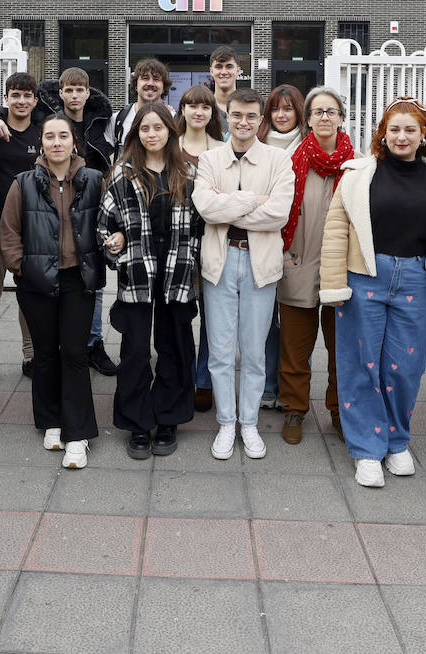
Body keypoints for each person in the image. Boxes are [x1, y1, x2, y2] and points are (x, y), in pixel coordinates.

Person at [319, 99, 426, 487]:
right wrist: (333, 285)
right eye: (394, 129)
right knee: (360, 362)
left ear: (424, 135)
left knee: (405, 366)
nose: (401, 136)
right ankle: (366, 448)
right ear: (383, 133)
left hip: (415, 277)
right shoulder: (358, 174)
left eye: (410, 130)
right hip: (364, 275)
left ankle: (396, 441)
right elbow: (335, 232)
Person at [0, 67, 117, 376]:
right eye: (68, 89)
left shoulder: (98, 119)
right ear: (60, 93)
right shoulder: (29, 120)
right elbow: (12, 108)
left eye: (79, 89)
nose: (73, 95)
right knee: (5, 295)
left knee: (73, 292)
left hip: (69, 217)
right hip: (16, 221)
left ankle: (72, 348)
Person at [0, 114, 105, 469]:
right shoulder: (24, 183)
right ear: (41, 143)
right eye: (49, 136)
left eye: (63, 136)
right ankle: (51, 420)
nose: (56, 142)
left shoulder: (92, 180)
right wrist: (22, 269)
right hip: (37, 281)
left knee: (75, 353)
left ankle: (78, 434)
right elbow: (9, 232)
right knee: (44, 354)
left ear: (74, 141)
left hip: (78, 278)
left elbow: (106, 224)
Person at [193, 88, 295, 461]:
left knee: (253, 352)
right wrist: (255, 199)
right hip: (219, 263)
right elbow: (206, 208)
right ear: (227, 116)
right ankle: (225, 422)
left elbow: (279, 214)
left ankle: (248, 423)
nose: (244, 122)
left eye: (252, 116)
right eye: (237, 115)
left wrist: (230, 204)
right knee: (219, 352)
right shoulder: (208, 158)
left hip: (259, 264)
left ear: (260, 119)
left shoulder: (278, 160)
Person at [98, 102, 203, 459]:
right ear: (136, 134)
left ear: (170, 132)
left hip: (177, 270)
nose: (152, 134)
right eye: (145, 129)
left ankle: (169, 418)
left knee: (175, 347)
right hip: (138, 272)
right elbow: (104, 223)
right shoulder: (121, 173)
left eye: (159, 128)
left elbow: (203, 225)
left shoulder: (188, 172)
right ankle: (137, 423)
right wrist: (115, 242)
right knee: (136, 351)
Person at [277, 87, 353, 445]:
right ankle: (294, 408)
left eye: (331, 111)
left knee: (343, 348)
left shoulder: (359, 164)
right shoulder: (291, 161)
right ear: (307, 119)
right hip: (299, 261)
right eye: (317, 111)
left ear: (341, 117)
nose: (324, 117)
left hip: (343, 268)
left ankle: (340, 410)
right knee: (295, 346)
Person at [0, 73, 41, 381]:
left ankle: (30, 357)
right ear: (6, 99)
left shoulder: (41, 134)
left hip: (29, 227)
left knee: (29, 293)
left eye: (27, 96)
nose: (22, 101)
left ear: (35, 101)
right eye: (16, 95)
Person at [174, 85, 226, 413]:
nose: (198, 112)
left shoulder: (223, 149)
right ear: (182, 110)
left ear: (212, 113)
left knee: (213, 317)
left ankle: (204, 379)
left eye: (204, 107)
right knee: (178, 316)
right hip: (176, 245)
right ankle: (180, 375)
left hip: (212, 241)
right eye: (191, 106)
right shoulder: (168, 147)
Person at [256, 82, 306, 411]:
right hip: (263, 241)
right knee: (265, 322)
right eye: (276, 108)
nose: (282, 114)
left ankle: (291, 390)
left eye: (288, 108)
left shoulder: (309, 146)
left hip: (300, 246)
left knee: (294, 324)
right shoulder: (255, 145)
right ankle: (267, 385)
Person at [109, 58, 168, 159]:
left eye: (156, 79)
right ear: (136, 84)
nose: (150, 83)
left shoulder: (173, 118)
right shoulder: (117, 119)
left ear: (163, 87)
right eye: (145, 78)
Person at [259, 84, 305, 153]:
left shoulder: (311, 143)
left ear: (298, 110)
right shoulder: (256, 140)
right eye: (275, 109)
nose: (280, 115)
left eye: (287, 109)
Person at [209, 46, 242, 130]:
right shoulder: (202, 107)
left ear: (238, 71)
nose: (224, 72)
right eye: (218, 67)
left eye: (229, 66)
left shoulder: (249, 108)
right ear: (211, 71)